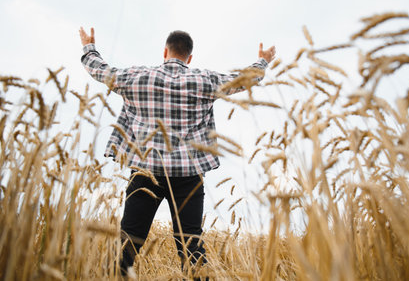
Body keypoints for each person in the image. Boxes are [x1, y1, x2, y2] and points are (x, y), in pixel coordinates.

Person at [79, 27, 275, 278]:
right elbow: (244, 80)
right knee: (191, 244)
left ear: (165, 51)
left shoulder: (137, 76)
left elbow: (100, 71)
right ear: (189, 57)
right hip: (189, 177)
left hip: (145, 172)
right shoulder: (205, 80)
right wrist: (263, 61)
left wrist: (88, 46)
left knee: (128, 243)